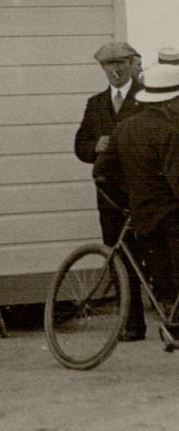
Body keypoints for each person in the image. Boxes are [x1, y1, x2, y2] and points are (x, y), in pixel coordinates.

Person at [94, 63, 179, 344]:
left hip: (142, 218)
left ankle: (172, 325)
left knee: (164, 279)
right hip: (171, 218)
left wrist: (125, 203)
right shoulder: (170, 131)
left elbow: (101, 173)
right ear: (170, 102)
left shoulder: (124, 128)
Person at [75, 41, 146, 339]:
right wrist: (95, 146)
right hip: (109, 197)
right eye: (108, 65)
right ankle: (132, 323)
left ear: (132, 65)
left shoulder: (147, 99)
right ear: (102, 69)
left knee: (156, 255)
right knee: (119, 258)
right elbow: (79, 146)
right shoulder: (95, 104)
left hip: (144, 191)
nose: (115, 70)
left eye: (120, 64)